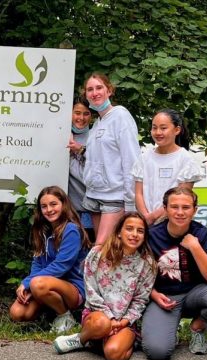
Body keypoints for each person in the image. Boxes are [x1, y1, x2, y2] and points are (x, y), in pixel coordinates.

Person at [142, 187, 207, 360]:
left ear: (195, 210)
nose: (180, 212)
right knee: (157, 352)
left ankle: (197, 326)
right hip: (164, 297)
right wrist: (153, 295)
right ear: (165, 209)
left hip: (196, 294)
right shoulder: (151, 236)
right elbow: (136, 276)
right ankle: (170, 329)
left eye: (185, 207)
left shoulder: (203, 234)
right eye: (174, 207)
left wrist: (195, 247)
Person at [53, 213, 156, 360]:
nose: (134, 234)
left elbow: (140, 300)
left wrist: (123, 321)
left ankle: (118, 341)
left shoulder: (147, 264)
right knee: (102, 324)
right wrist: (111, 318)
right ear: (119, 232)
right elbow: (91, 291)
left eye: (140, 231)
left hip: (124, 322)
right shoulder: (97, 254)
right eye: (129, 229)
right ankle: (81, 339)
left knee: (113, 354)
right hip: (97, 316)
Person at [9, 186, 91, 334]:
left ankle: (65, 317)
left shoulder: (71, 229)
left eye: (54, 204)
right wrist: (29, 286)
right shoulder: (42, 230)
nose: (49, 210)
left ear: (64, 204)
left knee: (37, 283)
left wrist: (28, 283)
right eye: (44, 206)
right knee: (18, 313)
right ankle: (51, 311)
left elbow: (61, 266)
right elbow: (37, 263)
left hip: (73, 289)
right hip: (46, 284)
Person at [81, 73, 139, 246]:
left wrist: (130, 203)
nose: (95, 93)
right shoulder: (97, 122)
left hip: (115, 196)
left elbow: (132, 160)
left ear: (109, 90)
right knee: (106, 252)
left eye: (99, 88)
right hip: (93, 195)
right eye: (90, 89)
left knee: (98, 250)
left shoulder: (120, 116)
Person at [133, 109, 205, 225]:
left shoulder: (185, 159)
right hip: (144, 223)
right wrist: (146, 216)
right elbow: (138, 193)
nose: (158, 132)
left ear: (177, 130)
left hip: (173, 224)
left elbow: (181, 196)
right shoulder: (144, 158)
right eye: (154, 127)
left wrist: (154, 217)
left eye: (163, 128)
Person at [66, 96, 96, 241]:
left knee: (87, 249)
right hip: (68, 208)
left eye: (86, 113)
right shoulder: (61, 134)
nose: (81, 118)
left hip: (90, 209)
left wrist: (82, 150)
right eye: (77, 113)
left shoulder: (95, 137)